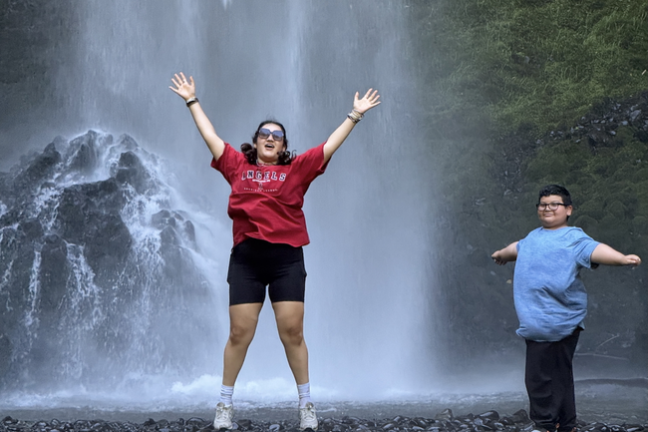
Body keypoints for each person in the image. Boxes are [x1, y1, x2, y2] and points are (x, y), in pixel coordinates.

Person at [169, 72, 380, 431]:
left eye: (277, 136)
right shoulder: (238, 167)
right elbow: (210, 137)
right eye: (264, 134)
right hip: (247, 259)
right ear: (256, 142)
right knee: (240, 333)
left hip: (286, 259)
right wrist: (192, 100)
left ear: (283, 146)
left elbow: (330, 146)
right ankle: (224, 404)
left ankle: (306, 404)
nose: (270, 138)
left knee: (292, 332)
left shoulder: (297, 170)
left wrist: (354, 115)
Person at [491, 184, 641, 432]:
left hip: (559, 320)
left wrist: (623, 259)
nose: (547, 208)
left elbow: (596, 250)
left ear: (568, 209)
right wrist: (502, 254)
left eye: (554, 204)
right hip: (536, 322)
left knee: (539, 378)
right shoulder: (533, 237)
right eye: (543, 204)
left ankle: (544, 425)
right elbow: (516, 247)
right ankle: (566, 423)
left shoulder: (574, 238)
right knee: (559, 375)